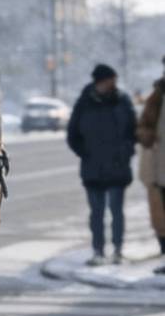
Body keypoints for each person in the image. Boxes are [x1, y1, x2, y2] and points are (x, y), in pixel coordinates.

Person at [67, 64, 137, 266]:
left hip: (118, 166)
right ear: (100, 82)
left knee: (117, 211)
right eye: (109, 80)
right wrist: (86, 154)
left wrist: (126, 151)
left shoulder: (122, 101)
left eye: (114, 80)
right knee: (96, 213)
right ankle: (98, 250)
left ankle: (118, 250)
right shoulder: (84, 103)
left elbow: (132, 131)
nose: (113, 84)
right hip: (93, 168)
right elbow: (73, 135)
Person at [136, 57, 165, 272]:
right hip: (159, 165)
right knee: (160, 214)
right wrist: (147, 135)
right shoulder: (157, 96)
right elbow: (144, 126)